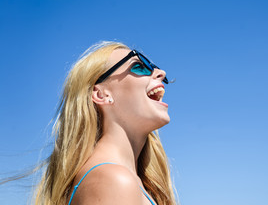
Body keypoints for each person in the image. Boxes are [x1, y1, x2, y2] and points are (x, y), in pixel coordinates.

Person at [34, 41, 177, 205]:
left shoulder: (122, 179)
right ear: (101, 95)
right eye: (139, 66)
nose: (160, 72)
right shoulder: (113, 180)